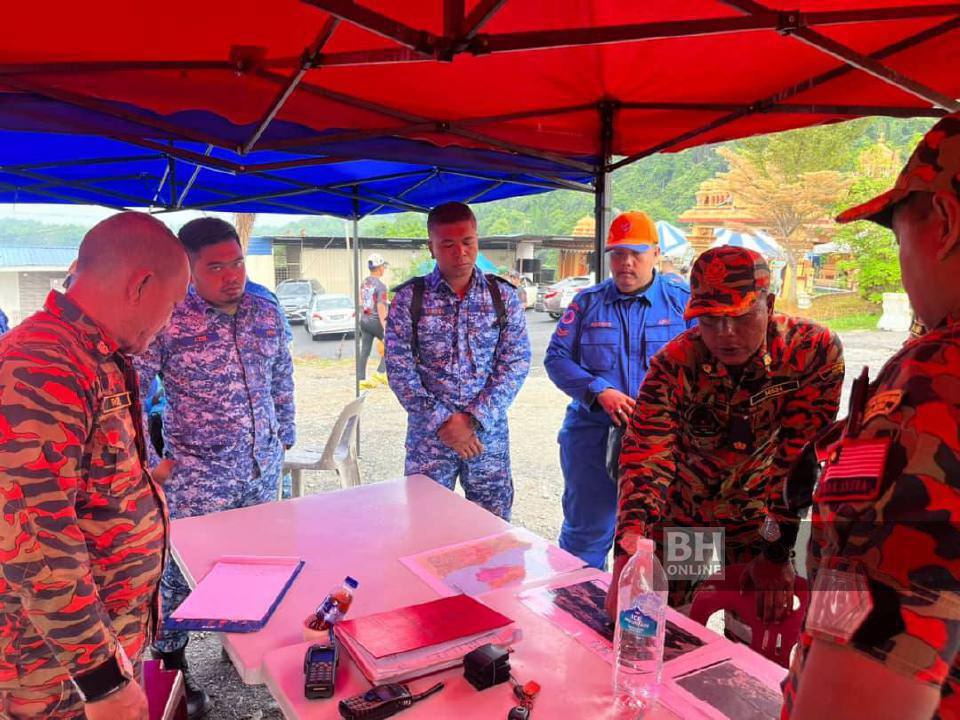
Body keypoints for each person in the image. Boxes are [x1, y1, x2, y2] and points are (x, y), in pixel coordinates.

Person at [782, 113, 960, 720]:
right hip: (710, 531)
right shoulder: (680, 359)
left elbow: (866, 682)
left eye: (898, 235)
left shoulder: (935, 386)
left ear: (946, 223)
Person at [0, 212, 189, 720]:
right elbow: (35, 543)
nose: (169, 323)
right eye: (171, 307)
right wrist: (102, 681)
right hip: (54, 678)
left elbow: (74, 486)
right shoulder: (41, 365)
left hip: (93, 654)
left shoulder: (93, 353)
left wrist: (137, 489)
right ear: (141, 284)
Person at [607, 246, 845, 621]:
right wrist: (630, 549)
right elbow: (646, 457)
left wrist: (776, 550)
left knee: (754, 633)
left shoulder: (811, 352)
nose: (726, 335)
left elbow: (799, 458)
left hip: (761, 521)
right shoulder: (675, 364)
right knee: (665, 628)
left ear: (769, 302)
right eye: (710, 321)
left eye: (741, 317)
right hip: (690, 521)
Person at [135, 217, 295, 716]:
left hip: (260, 470)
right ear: (189, 269)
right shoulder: (169, 315)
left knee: (255, 565)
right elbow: (132, 391)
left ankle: (239, 649)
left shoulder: (264, 308)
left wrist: (283, 435)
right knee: (178, 578)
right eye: (216, 267)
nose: (232, 275)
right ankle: (173, 670)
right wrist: (150, 462)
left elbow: (282, 374)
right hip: (198, 476)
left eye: (238, 262)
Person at [544, 210, 693, 569]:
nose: (625, 263)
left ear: (656, 254)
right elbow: (555, 359)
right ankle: (582, 617)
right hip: (594, 436)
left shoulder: (683, 301)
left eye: (635, 254)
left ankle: (679, 621)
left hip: (667, 440)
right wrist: (598, 390)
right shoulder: (586, 303)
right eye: (617, 254)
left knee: (679, 541)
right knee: (585, 536)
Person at [385, 201, 531, 520]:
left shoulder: (501, 296)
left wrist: (472, 419)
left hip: (485, 439)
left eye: (468, 242)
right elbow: (399, 370)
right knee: (426, 531)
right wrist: (444, 421)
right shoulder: (411, 299)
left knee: (492, 537)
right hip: (430, 440)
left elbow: (516, 363)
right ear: (431, 247)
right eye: (448, 244)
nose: (460, 253)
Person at [358, 252, 389, 385]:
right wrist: (386, 326)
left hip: (364, 320)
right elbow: (381, 308)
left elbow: (361, 302)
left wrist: (365, 316)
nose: (384, 269)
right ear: (380, 268)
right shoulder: (381, 286)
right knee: (392, 344)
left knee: (364, 351)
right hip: (376, 321)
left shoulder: (364, 283)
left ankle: (360, 379)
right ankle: (380, 373)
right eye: (383, 266)